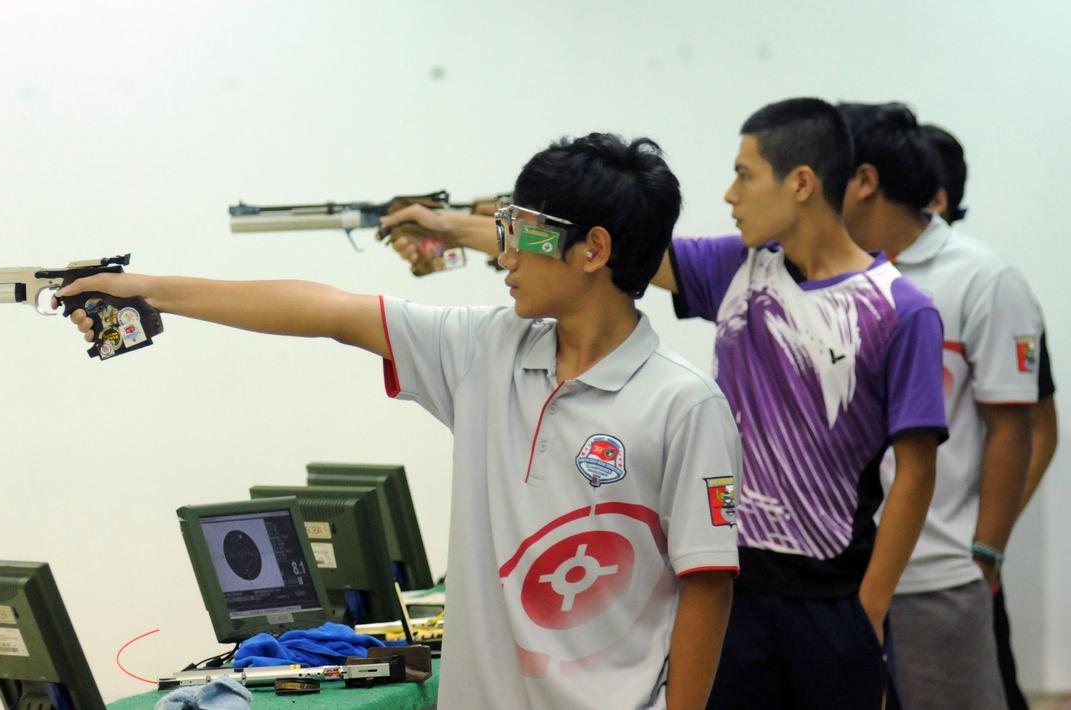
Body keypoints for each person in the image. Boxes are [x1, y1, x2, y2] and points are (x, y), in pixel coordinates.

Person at [59, 133, 741, 710]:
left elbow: (705, 587)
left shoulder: (683, 405)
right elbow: (327, 310)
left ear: (592, 250)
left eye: (519, 233)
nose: (503, 255)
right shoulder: (485, 350)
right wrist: (147, 290)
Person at [382, 97, 948, 709]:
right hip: (735, 578)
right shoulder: (738, 268)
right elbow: (597, 248)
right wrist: (460, 229)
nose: (730, 194)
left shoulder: (902, 308)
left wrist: (870, 604)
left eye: (745, 174)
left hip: (832, 588)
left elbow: (915, 470)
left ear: (803, 183)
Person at [838, 101, 1044, 710]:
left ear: (864, 181)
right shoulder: (827, 272)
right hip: (833, 570)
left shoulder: (982, 278)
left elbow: (1016, 427)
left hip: (937, 573)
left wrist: (985, 553)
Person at [921, 121, 1060, 710]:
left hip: (958, 561)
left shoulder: (992, 288)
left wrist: (987, 544)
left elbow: (1040, 429)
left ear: (935, 200)